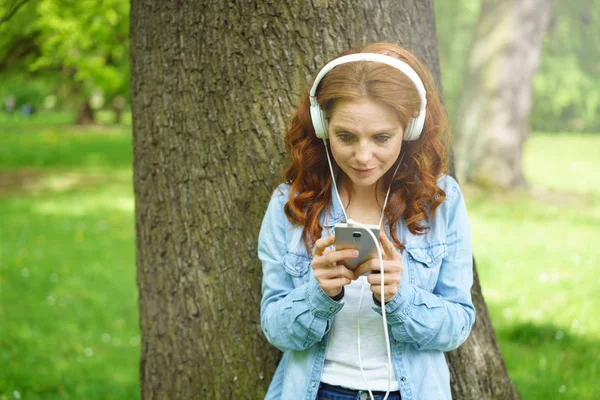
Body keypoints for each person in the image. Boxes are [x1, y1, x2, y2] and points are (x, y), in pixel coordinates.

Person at [258, 42, 475, 400]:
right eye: (346, 136)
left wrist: (400, 297)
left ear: (410, 129)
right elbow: (275, 330)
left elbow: (458, 327)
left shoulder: (441, 201)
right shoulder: (292, 203)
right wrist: (319, 294)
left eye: (381, 138)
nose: (363, 156)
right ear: (322, 126)